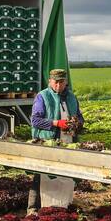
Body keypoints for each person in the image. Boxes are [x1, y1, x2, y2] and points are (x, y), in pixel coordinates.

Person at [26, 68, 83, 212]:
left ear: (66, 82)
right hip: (47, 142)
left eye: (61, 82)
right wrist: (56, 123)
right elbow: (35, 120)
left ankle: (63, 205)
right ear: (50, 81)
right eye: (55, 82)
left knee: (66, 175)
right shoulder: (43, 96)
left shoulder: (71, 97)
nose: (58, 85)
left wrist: (77, 122)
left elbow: (80, 116)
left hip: (68, 143)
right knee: (41, 174)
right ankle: (33, 208)